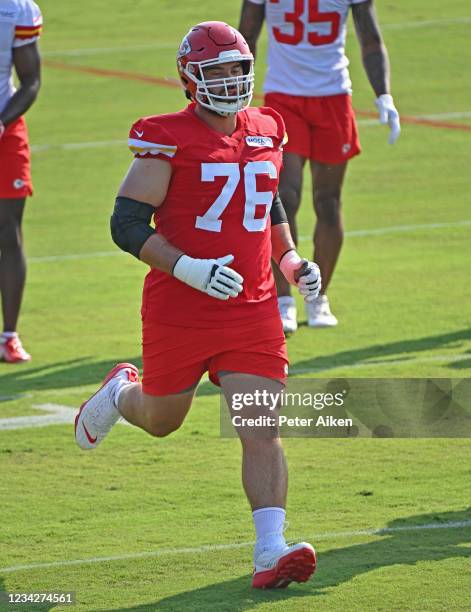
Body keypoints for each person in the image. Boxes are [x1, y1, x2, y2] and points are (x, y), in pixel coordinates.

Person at [75, 21, 322, 589]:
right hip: (180, 307)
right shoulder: (167, 137)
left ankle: (269, 551)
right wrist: (188, 267)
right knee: (163, 421)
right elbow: (126, 222)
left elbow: (270, 205)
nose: (231, 81)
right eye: (217, 72)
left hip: (252, 306)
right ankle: (121, 392)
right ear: (191, 79)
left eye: (238, 69)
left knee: (260, 424)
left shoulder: (267, 127)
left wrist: (289, 263)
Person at [239, 0, 400, 332]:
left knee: (328, 202)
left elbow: (370, 39)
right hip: (283, 96)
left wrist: (383, 94)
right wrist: (240, 95)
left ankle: (317, 296)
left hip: (333, 96)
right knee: (285, 196)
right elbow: (246, 37)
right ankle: (283, 298)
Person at [0, 0, 42, 363]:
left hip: (5, 127)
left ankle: (8, 336)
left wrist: (2, 121)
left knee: (8, 230)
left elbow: (31, 80)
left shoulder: (17, 8)